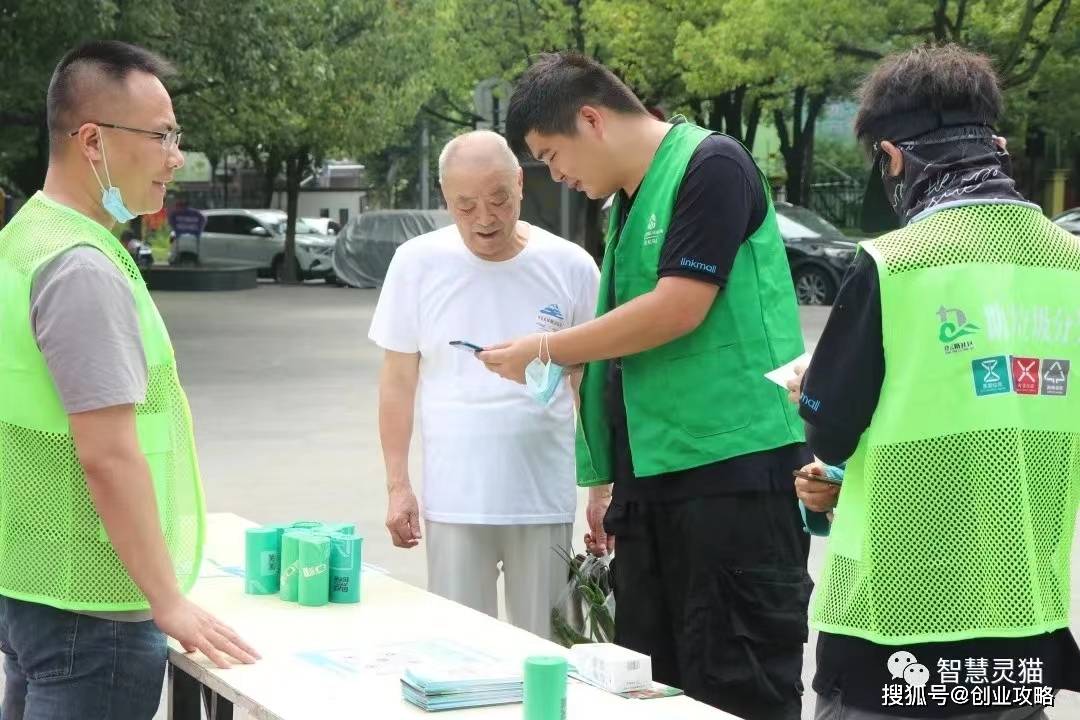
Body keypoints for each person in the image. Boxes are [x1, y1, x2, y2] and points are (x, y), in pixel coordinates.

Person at [482, 52, 813, 720]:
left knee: (736, 684)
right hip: (655, 481)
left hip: (733, 478)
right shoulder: (626, 206)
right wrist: (605, 485)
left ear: (590, 119)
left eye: (552, 154)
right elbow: (624, 357)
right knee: (651, 689)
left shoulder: (711, 165)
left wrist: (545, 348)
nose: (557, 175)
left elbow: (677, 308)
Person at [791, 45, 1080, 720]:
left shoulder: (896, 264)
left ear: (893, 159)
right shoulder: (1070, 267)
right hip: (1020, 615)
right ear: (998, 145)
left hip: (894, 622)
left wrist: (815, 403)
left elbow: (829, 424)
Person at [0, 41, 258, 720]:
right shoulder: (80, 265)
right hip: (96, 610)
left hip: (36, 583)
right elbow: (107, 453)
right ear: (92, 141)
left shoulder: (26, 236)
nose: (176, 156)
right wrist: (166, 600)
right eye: (161, 136)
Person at [368, 130, 599, 639]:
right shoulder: (416, 263)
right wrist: (397, 484)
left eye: (498, 199)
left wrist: (603, 489)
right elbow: (397, 381)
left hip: (543, 497)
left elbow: (590, 383)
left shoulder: (571, 266)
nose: (485, 219)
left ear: (520, 182)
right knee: (459, 650)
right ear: (444, 197)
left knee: (550, 648)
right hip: (456, 498)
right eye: (465, 205)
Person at [168, 194, 205, 263]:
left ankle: (178, 258)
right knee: (195, 247)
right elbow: (203, 219)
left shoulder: (176, 213)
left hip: (183, 234)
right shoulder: (195, 213)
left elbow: (171, 221)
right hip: (191, 234)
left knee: (179, 247)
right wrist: (199, 229)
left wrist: (175, 228)